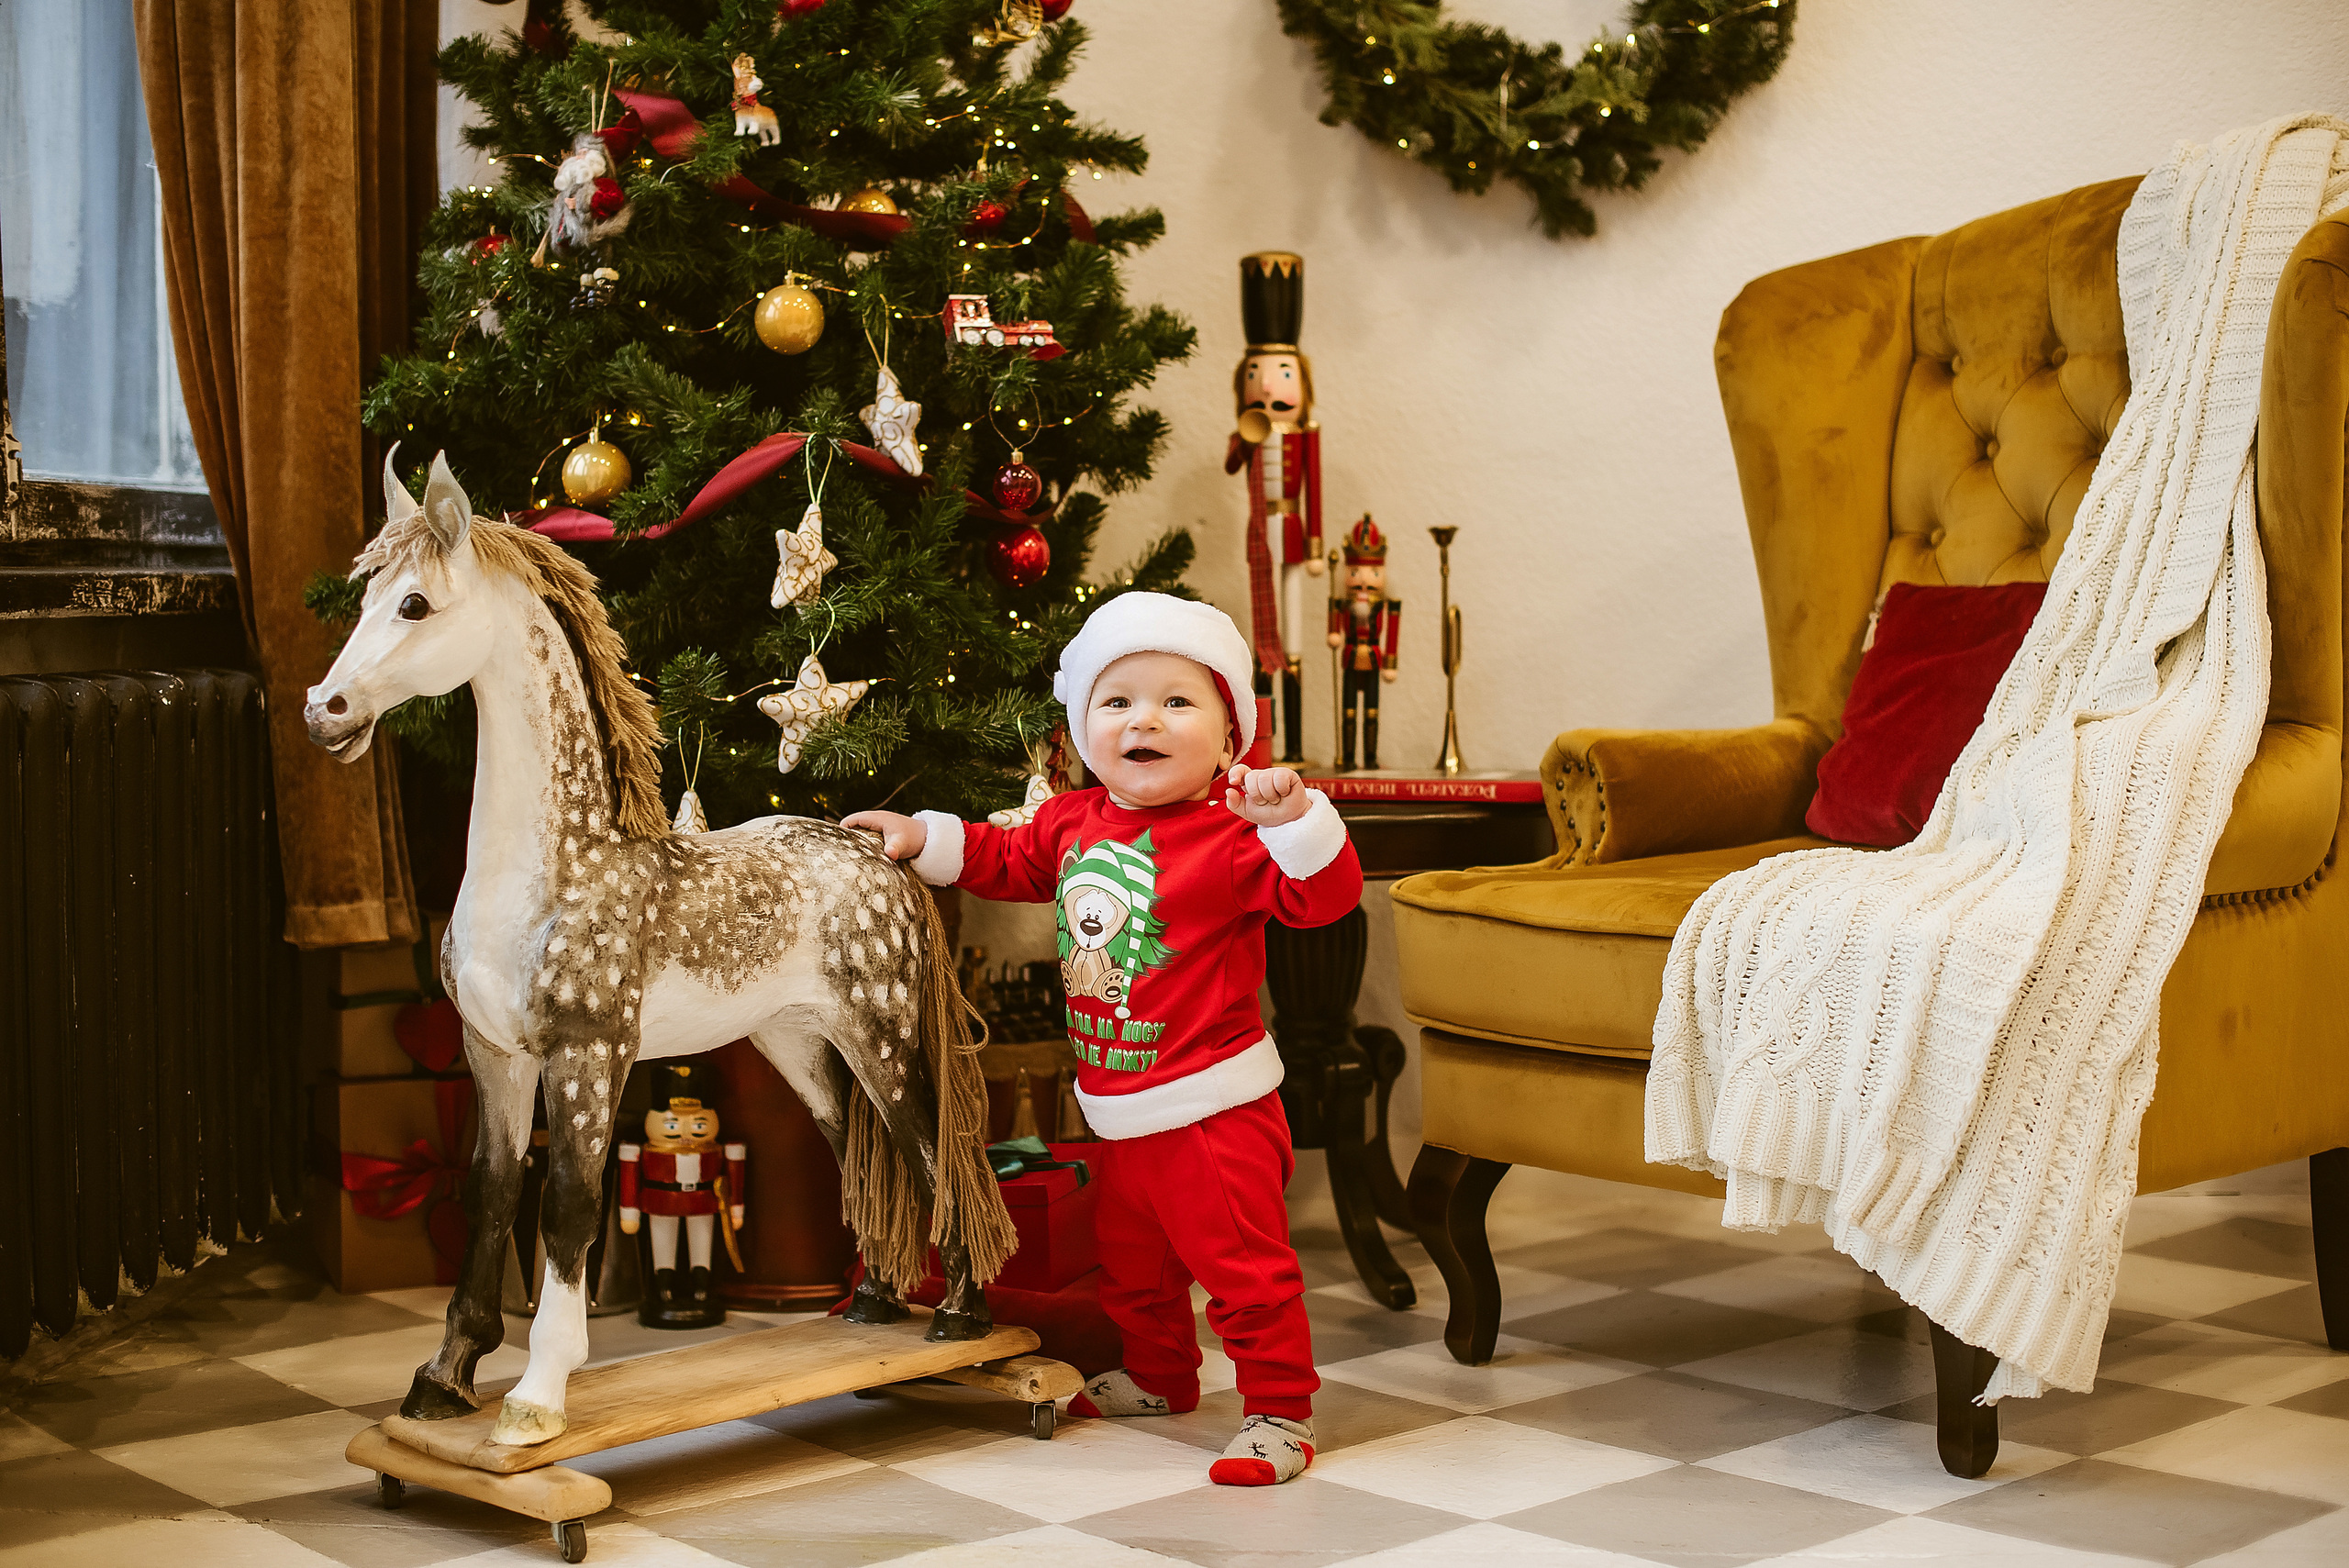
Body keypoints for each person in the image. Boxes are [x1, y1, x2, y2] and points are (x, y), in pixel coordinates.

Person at [846, 591, 1363, 1486]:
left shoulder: (1238, 833)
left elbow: (1325, 900)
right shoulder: (1070, 821)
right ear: (1083, 728)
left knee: (1243, 1268)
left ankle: (1280, 1409)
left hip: (1214, 1107)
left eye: (1175, 700)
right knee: (1133, 1267)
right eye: (1116, 701)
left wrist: (1296, 824)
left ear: (1230, 731)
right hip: (1117, 1104)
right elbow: (1002, 859)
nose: (1143, 719)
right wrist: (920, 836)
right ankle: (1162, 1377)